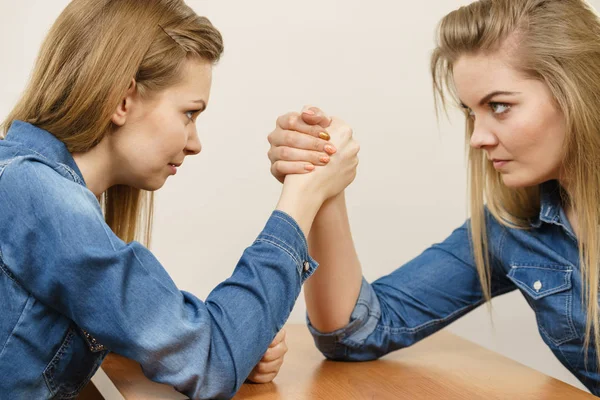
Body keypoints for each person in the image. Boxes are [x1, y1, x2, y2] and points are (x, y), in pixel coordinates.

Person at [0, 0, 359, 399]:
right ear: (122, 100)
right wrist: (301, 197)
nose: (195, 144)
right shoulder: (36, 195)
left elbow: (193, 346)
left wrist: (243, 338)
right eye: (189, 114)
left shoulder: (26, 183)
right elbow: (211, 361)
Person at [267, 0, 600, 394]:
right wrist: (324, 180)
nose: (478, 138)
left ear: (578, 90)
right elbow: (355, 331)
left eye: (500, 106)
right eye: (471, 112)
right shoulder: (512, 227)